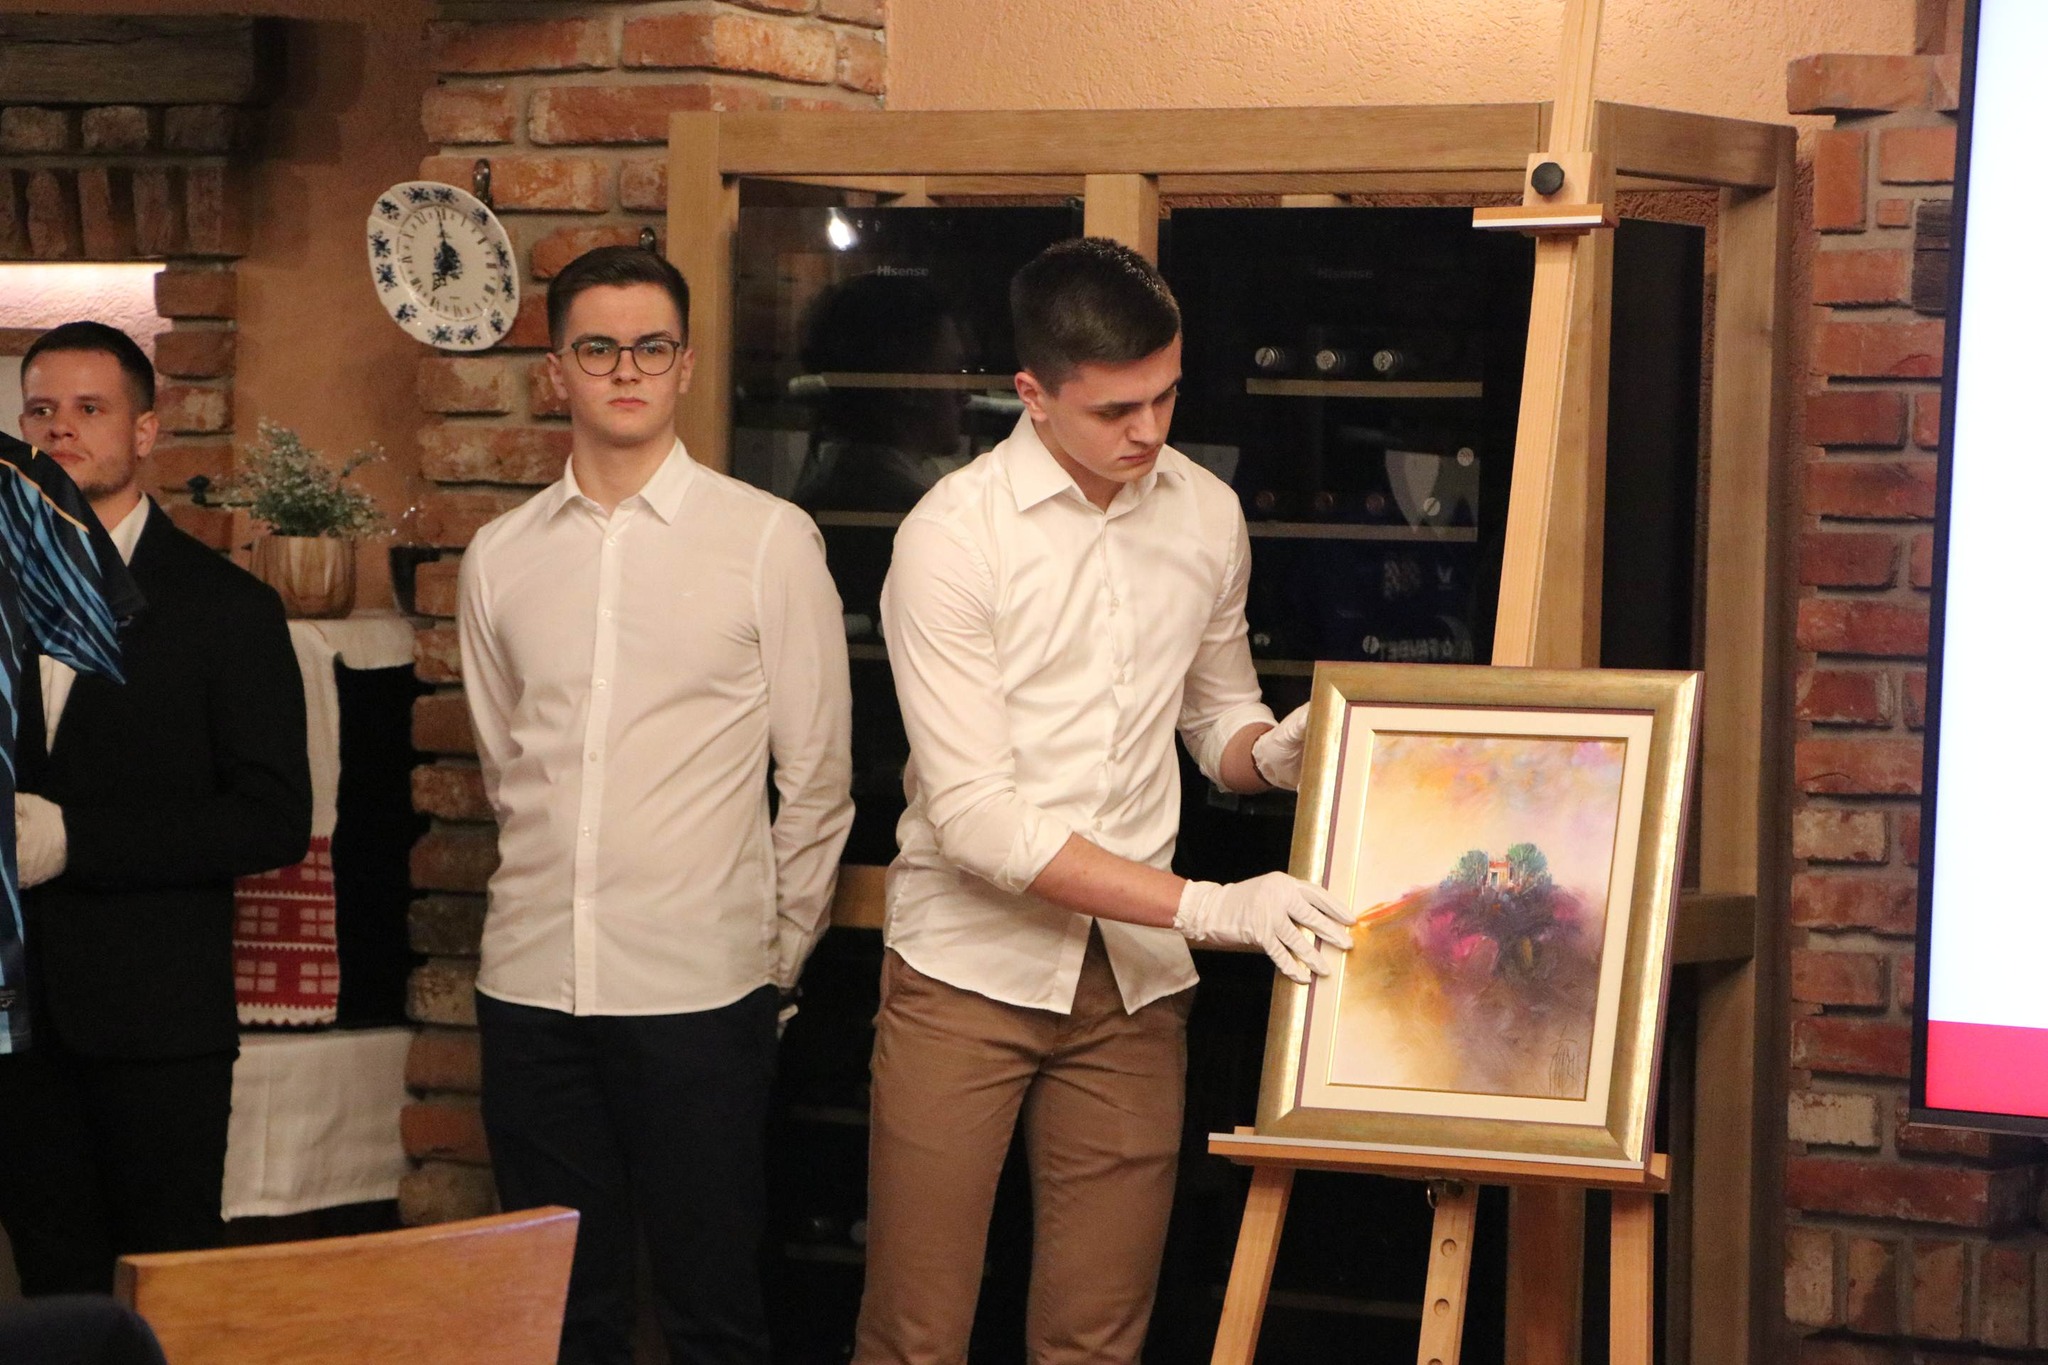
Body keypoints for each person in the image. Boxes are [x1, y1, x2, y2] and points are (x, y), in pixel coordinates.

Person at [855, 237, 1355, 1365]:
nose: (1148, 429)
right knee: (915, 1334)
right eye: (1115, 408)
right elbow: (976, 819)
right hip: (966, 971)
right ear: (1031, 395)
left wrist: (1279, 753)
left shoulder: (1206, 513)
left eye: (1166, 394)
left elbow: (1216, 722)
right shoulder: (950, 538)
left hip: (1131, 988)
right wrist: (1209, 907)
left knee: (1097, 1339)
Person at [458, 245, 853, 1365]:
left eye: (649, 347)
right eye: (597, 348)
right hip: (531, 984)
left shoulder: (766, 540)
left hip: (702, 992)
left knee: (712, 1312)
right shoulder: (499, 557)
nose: (624, 370)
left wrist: (770, 961)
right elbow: (506, 766)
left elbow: (817, 782)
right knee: (556, 1318)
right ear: (556, 370)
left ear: (684, 365)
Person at [0, 321, 311, 1294]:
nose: (60, 429)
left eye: (89, 408)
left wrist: (76, 839)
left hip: (157, 1028)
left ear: (144, 431)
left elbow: (271, 816)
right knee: (51, 1300)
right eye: (40, 410)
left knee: (165, 1297)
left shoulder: (227, 609)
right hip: (15, 1026)